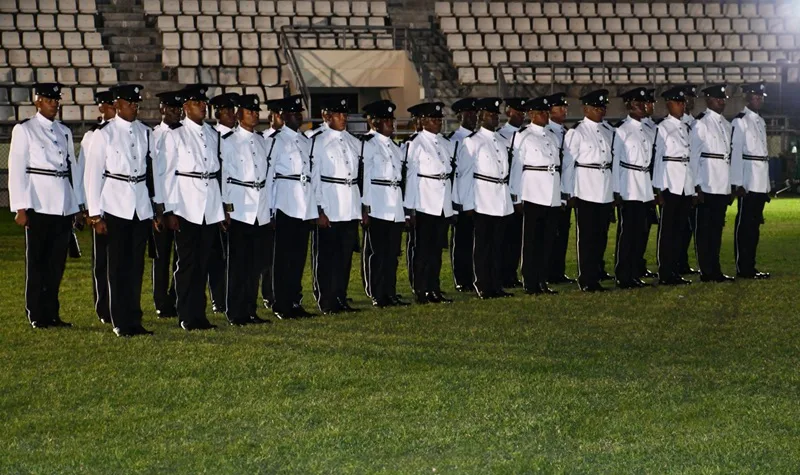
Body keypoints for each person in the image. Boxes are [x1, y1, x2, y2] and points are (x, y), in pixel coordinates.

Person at [8, 82, 84, 329]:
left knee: (55, 264)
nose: (54, 104)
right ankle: (36, 313)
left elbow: (72, 168)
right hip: (38, 204)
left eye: (57, 100)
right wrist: (20, 206)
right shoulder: (25, 130)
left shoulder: (63, 131)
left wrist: (77, 205)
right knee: (37, 263)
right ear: (37, 101)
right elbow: (17, 169)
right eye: (49, 100)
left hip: (62, 204)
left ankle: (52, 312)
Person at [85, 84, 158, 337]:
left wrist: (154, 206)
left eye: (137, 103)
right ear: (116, 105)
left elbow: (151, 173)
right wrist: (95, 214)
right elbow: (92, 175)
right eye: (130, 103)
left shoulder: (145, 132)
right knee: (117, 266)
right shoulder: (104, 134)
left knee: (136, 266)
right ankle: (119, 320)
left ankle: (134, 318)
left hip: (139, 206)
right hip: (115, 205)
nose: (134, 107)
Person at [160, 84, 225, 331]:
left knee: (204, 262)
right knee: (187, 263)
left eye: (204, 102)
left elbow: (216, 173)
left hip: (208, 205)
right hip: (186, 206)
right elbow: (167, 175)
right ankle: (186, 314)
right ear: (186, 107)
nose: (203, 106)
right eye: (198, 103)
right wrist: (169, 210)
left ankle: (200, 314)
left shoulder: (211, 134)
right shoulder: (175, 134)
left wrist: (220, 209)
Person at [219, 94, 273, 325]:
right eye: (248, 111)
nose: (254, 114)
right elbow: (224, 177)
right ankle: (235, 311)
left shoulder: (262, 141)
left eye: (255, 111)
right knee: (238, 264)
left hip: (260, 209)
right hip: (240, 207)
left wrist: (269, 209)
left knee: (255, 264)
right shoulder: (229, 140)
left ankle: (250, 309)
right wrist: (226, 208)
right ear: (238, 115)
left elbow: (268, 177)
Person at [309, 98, 362, 315]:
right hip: (330, 203)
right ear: (326, 116)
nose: (343, 118)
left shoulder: (352, 141)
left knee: (344, 255)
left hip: (349, 204)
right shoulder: (318, 141)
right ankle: (326, 299)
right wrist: (319, 209)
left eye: (345, 114)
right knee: (327, 256)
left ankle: (340, 296)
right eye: (338, 115)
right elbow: (315, 177)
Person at [457, 98, 514, 299]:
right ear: (481, 117)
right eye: (490, 114)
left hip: (500, 198)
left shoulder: (501, 140)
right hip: (482, 198)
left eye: (496, 114)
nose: (495, 118)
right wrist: (467, 203)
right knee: (483, 246)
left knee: (499, 245)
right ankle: (482, 284)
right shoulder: (472, 141)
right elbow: (464, 174)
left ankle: (496, 284)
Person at [269, 95, 317, 319]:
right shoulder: (276, 140)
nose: (298, 116)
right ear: (283, 116)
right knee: (283, 258)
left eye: (300, 112)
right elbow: (270, 176)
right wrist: (269, 208)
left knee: (298, 257)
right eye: (293, 113)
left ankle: (295, 301)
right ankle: (281, 303)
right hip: (285, 203)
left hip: (303, 204)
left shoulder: (305, 141)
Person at [561, 89, 614, 292]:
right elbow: (568, 164)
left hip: (604, 188)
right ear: (586, 109)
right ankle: (587, 278)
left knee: (601, 235)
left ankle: (596, 273)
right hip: (585, 189)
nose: (600, 111)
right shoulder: (577, 132)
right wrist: (569, 192)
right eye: (596, 108)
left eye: (602, 107)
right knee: (587, 237)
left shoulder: (608, 130)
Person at [404, 102, 456, 304]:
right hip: (424, 202)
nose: (437, 122)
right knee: (423, 249)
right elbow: (410, 177)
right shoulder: (416, 143)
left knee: (436, 249)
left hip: (441, 202)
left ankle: (434, 288)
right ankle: (421, 289)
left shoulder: (444, 143)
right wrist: (410, 208)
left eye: (439, 119)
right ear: (423, 121)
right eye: (433, 119)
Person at [510, 95, 561, 295]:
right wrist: (516, 195)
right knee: (531, 240)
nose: (545, 115)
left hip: (552, 193)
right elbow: (517, 167)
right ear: (531, 114)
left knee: (547, 240)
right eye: (541, 112)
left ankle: (542, 279)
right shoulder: (523, 135)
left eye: (547, 112)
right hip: (532, 192)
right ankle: (530, 281)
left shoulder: (552, 136)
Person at [360, 100, 409, 308]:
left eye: (392, 120)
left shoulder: (395, 146)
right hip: (378, 204)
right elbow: (364, 177)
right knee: (377, 253)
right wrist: (366, 207)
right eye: (387, 120)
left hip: (394, 204)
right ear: (375, 123)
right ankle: (377, 293)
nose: (392, 124)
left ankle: (390, 292)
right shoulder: (368, 144)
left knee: (392, 253)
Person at [690, 84, 735, 283]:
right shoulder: (701, 123)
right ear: (708, 100)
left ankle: (714, 268)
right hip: (707, 184)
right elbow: (693, 157)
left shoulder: (726, 124)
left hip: (721, 184)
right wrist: (696, 185)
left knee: (716, 229)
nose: (722, 102)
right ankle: (706, 270)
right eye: (718, 98)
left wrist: (731, 184)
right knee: (705, 230)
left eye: (723, 98)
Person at [611, 87, 655, 289]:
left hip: (644, 184)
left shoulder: (646, 129)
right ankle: (623, 274)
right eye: (639, 103)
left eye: (644, 103)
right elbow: (615, 161)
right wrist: (616, 189)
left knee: (641, 232)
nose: (644, 106)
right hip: (628, 184)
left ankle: (635, 271)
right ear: (629, 105)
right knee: (628, 232)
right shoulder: (621, 129)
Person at [80, 90, 116, 324]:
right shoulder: (93, 135)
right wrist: (88, 208)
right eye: (111, 104)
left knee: (122, 260)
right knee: (102, 261)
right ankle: (103, 305)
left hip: (122, 204)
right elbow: (85, 173)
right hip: (102, 206)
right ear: (102, 107)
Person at [653, 86, 694, 286]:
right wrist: (658, 189)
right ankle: (666, 271)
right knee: (668, 230)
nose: (681, 106)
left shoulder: (685, 127)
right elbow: (658, 159)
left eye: (683, 102)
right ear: (668, 104)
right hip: (670, 184)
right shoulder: (662, 127)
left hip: (685, 183)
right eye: (678, 103)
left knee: (680, 229)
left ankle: (675, 269)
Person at [731, 81, 771, 280]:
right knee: (745, 226)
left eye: (761, 96)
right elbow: (736, 153)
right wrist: (737, 182)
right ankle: (743, 267)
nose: (759, 99)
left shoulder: (759, 121)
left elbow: (763, 156)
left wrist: (766, 186)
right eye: (755, 96)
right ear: (747, 97)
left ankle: (750, 265)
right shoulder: (740, 121)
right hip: (747, 181)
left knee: (754, 226)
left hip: (759, 181)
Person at [151, 89, 184, 319]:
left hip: (184, 204)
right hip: (163, 205)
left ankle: (176, 296)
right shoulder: (153, 135)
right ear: (161, 109)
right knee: (161, 257)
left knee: (182, 256)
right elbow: (154, 176)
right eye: (171, 108)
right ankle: (161, 301)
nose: (176, 112)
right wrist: (158, 209)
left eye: (178, 108)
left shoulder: (186, 134)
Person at [206, 92, 239, 313]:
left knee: (236, 255)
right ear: (217, 113)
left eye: (232, 110)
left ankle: (234, 295)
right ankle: (219, 298)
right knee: (217, 256)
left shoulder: (240, 136)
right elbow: (217, 174)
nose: (231, 114)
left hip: (241, 201)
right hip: (219, 202)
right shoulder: (214, 137)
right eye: (226, 111)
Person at [544, 92, 576, 285]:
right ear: (549, 110)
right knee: (549, 233)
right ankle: (546, 271)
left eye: (565, 107)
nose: (564, 110)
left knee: (563, 231)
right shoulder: (547, 132)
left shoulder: (566, 132)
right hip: (550, 189)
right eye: (559, 107)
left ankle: (558, 270)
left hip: (564, 188)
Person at [495, 98, 527, 288]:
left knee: (517, 238)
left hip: (524, 190)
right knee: (504, 237)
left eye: (523, 112)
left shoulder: (526, 134)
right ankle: (502, 274)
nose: (521, 115)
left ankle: (512, 274)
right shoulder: (502, 135)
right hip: (505, 191)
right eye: (517, 112)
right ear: (508, 112)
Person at [448, 97, 478, 292]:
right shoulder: (454, 140)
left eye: (475, 113)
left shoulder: (479, 139)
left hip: (480, 197)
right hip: (461, 197)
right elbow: (453, 174)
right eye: (468, 113)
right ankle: (462, 277)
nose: (473, 117)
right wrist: (456, 202)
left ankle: (476, 275)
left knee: (478, 240)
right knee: (462, 240)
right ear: (459, 116)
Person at [677, 85, 700, 275]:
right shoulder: (672, 124)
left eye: (691, 98)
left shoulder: (696, 123)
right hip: (678, 182)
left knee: (689, 227)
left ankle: (682, 262)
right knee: (677, 225)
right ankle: (673, 262)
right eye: (685, 98)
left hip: (692, 181)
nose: (688, 102)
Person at [259, 106, 280, 310]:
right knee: (267, 256)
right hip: (267, 205)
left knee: (279, 255)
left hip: (280, 206)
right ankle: (268, 293)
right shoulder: (265, 140)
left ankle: (276, 293)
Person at [638, 89, 659, 280]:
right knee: (633, 228)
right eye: (645, 103)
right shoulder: (634, 127)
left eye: (651, 103)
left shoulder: (653, 126)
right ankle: (633, 266)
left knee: (645, 227)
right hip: (638, 182)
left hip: (649, 182)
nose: (649, 107)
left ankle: (640, 263)